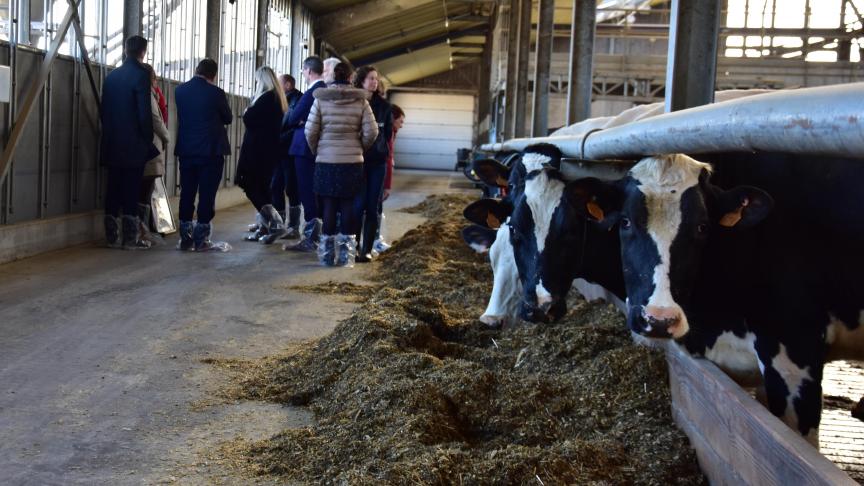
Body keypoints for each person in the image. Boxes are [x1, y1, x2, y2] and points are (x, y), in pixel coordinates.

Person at [304, 62, 378, 266]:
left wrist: (318, 149)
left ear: (332, 76)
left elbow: (310, 131)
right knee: (348, 205)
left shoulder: (320, 100)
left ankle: (327, 257)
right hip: (352, 161)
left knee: (328, 205)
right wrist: (359, 147)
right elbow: (372, 132)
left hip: (326, 160)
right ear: (351, 77)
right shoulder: (361, 101)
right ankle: (346, 258)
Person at [100, 35, 158, 250]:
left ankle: (111, 236)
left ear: (125, 50)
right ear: (143, 52)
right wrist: (147, 139)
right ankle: (129, 238)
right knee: (132, 188)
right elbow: (144, 113)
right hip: (134, 143)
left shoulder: (112, 76)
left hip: (112, 141)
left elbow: (103, 112)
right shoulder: (141, 75)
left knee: (113, 187)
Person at [174, 58, 233, 252]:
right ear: (213, 75)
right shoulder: (216, 93)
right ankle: (201, 239)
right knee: (207, 194)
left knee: (187, 192)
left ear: (196, 70)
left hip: (187, 150)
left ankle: (185, 238)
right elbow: (228, 118)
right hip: (210, 151)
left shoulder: (180, 91)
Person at [236, 66, 289, 244]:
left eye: (258, 80)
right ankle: (266, 226)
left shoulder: (266, 98)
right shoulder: (277, 98)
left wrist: (247, 111)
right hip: (269, 150)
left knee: (249, 183)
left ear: (263, 80)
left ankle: (274, 223)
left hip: (257, 150)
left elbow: (249, 118)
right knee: (263, 187)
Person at [282, 56, 327, 252]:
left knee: (307, 192)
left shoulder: (312, 93)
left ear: (309, 71)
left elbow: (292, 118)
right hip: (318, 148)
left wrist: (300, 120)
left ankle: (311, 238)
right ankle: (316, 234)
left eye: (303, 70)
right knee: (315, 192)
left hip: (305, 149)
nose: (302, 73)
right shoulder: (325, 91)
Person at [351, 65, 393, 263]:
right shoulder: (353, 102)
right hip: (357, 161)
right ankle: (354, 245)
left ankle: (366, 249)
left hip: (377, 162)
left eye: (376, 78)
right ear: (361, 81)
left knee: (372, 206)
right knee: (357, 205)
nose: (374, 82)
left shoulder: (384, 107)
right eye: (370, 78)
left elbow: (387, 136)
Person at [266, 74, 303, 239]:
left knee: (292, 188)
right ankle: (278, 224)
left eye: (279, 84)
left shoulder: (298, 100)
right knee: (275, 186)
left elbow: (293, 126)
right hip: (277, 151)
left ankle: (294, 227)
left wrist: (278, 136)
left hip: (290, 152)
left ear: (288, 85)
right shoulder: (277, 100)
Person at [138, 63, 171, 245]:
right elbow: (157, 119)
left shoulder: (153, 92)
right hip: (152, 147)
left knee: (147, 188)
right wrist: (167, 136)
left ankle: (147, 227)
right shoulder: (149, 93)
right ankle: (143, 229)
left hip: (147, 147)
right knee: (146, 189)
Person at [373, 103, 405, 254]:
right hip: (378, 175)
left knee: (376, 208)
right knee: (375, 208)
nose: (402, 125)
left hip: (377, 173)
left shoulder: (390, 132)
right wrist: (387, 185)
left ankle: (375, 240)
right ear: (393, 119)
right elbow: (387, 158)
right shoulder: (388, 133)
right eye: (401, 121)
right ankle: (374, 241)